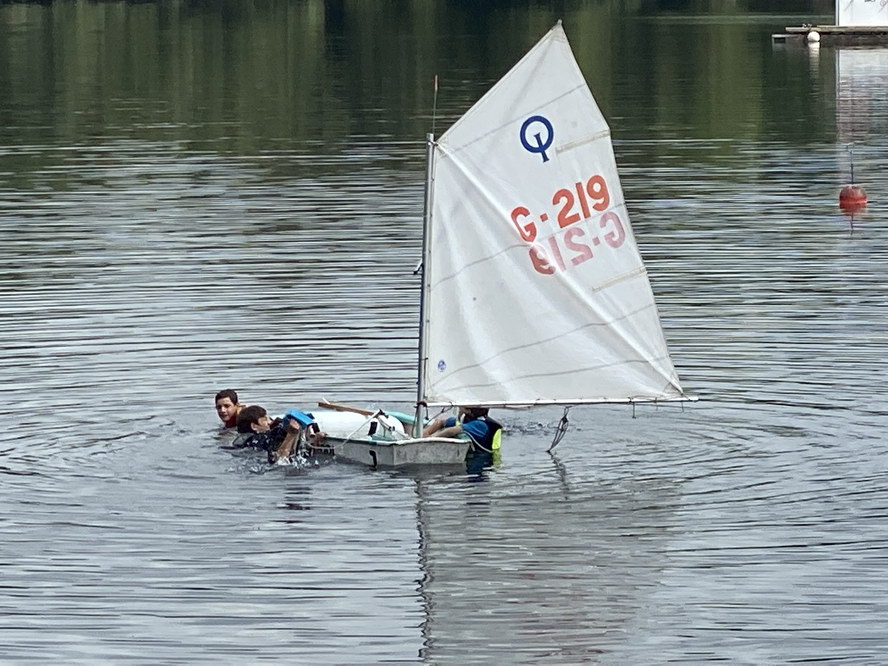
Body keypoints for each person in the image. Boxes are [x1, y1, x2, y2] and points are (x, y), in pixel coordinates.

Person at [234, 405, 327, 464]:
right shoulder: (257, 439)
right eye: (265, 419)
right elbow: (279, 460)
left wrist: (314, 441)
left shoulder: (243, 441)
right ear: (254, 426)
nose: (270, 422)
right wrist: (291, 434)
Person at [422, 406, 502, 453]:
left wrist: (432, 439)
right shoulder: (466, 419)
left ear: (468, 411)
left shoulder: (480, 425)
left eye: (461, 407)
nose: (459, 408)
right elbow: (440, 422)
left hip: (482, 458)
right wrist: (426, 433)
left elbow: (453, 430)